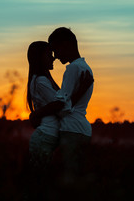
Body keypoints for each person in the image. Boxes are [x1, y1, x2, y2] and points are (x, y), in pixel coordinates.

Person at [24, 41, 93, 200]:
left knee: (41, 183)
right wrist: (81, 89)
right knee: (38, 185)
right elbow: (61, 106)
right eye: (49, 54)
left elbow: (61, 102)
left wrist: (37, 114)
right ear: (40, 58)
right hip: (44, 138)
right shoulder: (41, 81)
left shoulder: (43, 79)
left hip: (48, 138)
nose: (53, 58)